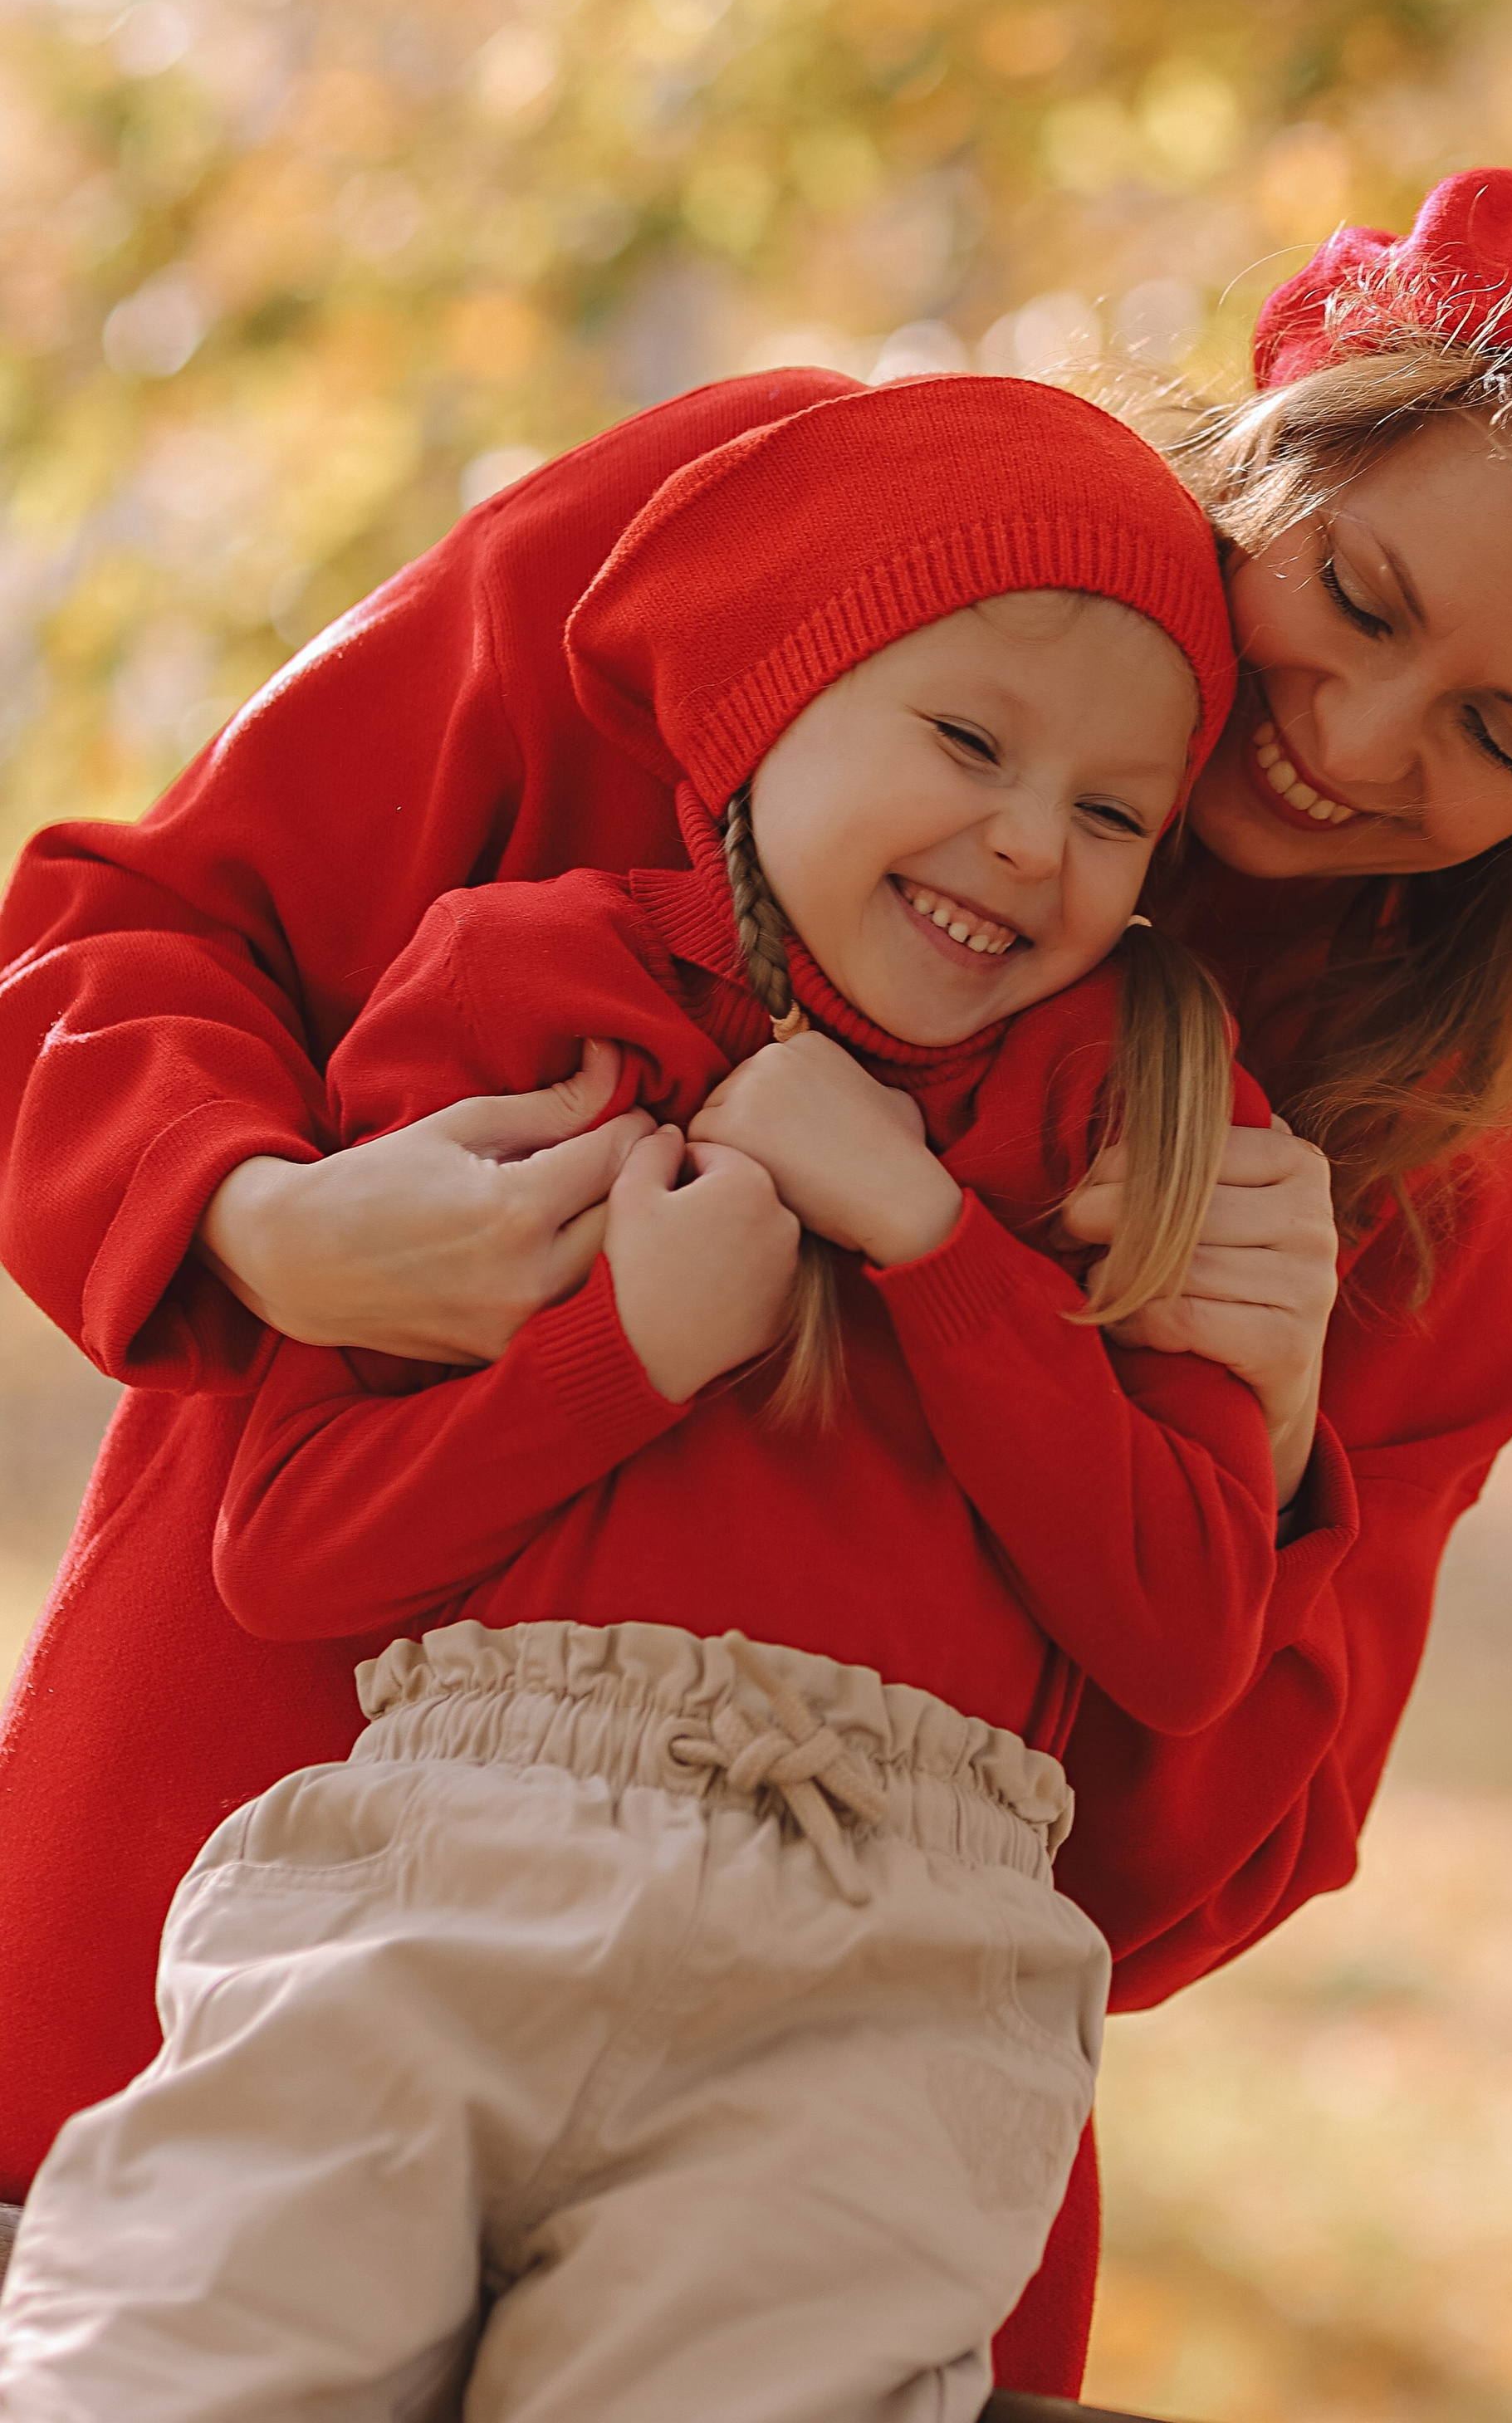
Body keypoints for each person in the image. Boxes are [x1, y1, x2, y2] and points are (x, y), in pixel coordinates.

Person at [0, 170, 1512, 2391]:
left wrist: (1261, 1457)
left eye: (1504, 741)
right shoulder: (770, 539)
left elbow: (1179, 1883)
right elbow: (119, 943)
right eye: (1359, 596)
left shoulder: (1418, 1163)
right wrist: (257, 1218)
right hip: (199, 2000)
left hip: (802, 2198)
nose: (1367, 744)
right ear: (1279, 445)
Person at [0, 373, 1290, 2420]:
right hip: (439, 1876)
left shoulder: (1152, 1110)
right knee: (174, 2356)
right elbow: (296, 1546)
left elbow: (1187, 1630)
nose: (1031, 840)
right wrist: (626, 1355)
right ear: (770, 696)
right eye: (965, 738)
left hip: (889, 1976)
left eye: (1119, 813)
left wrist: (935, 1256)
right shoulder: (521, 992)